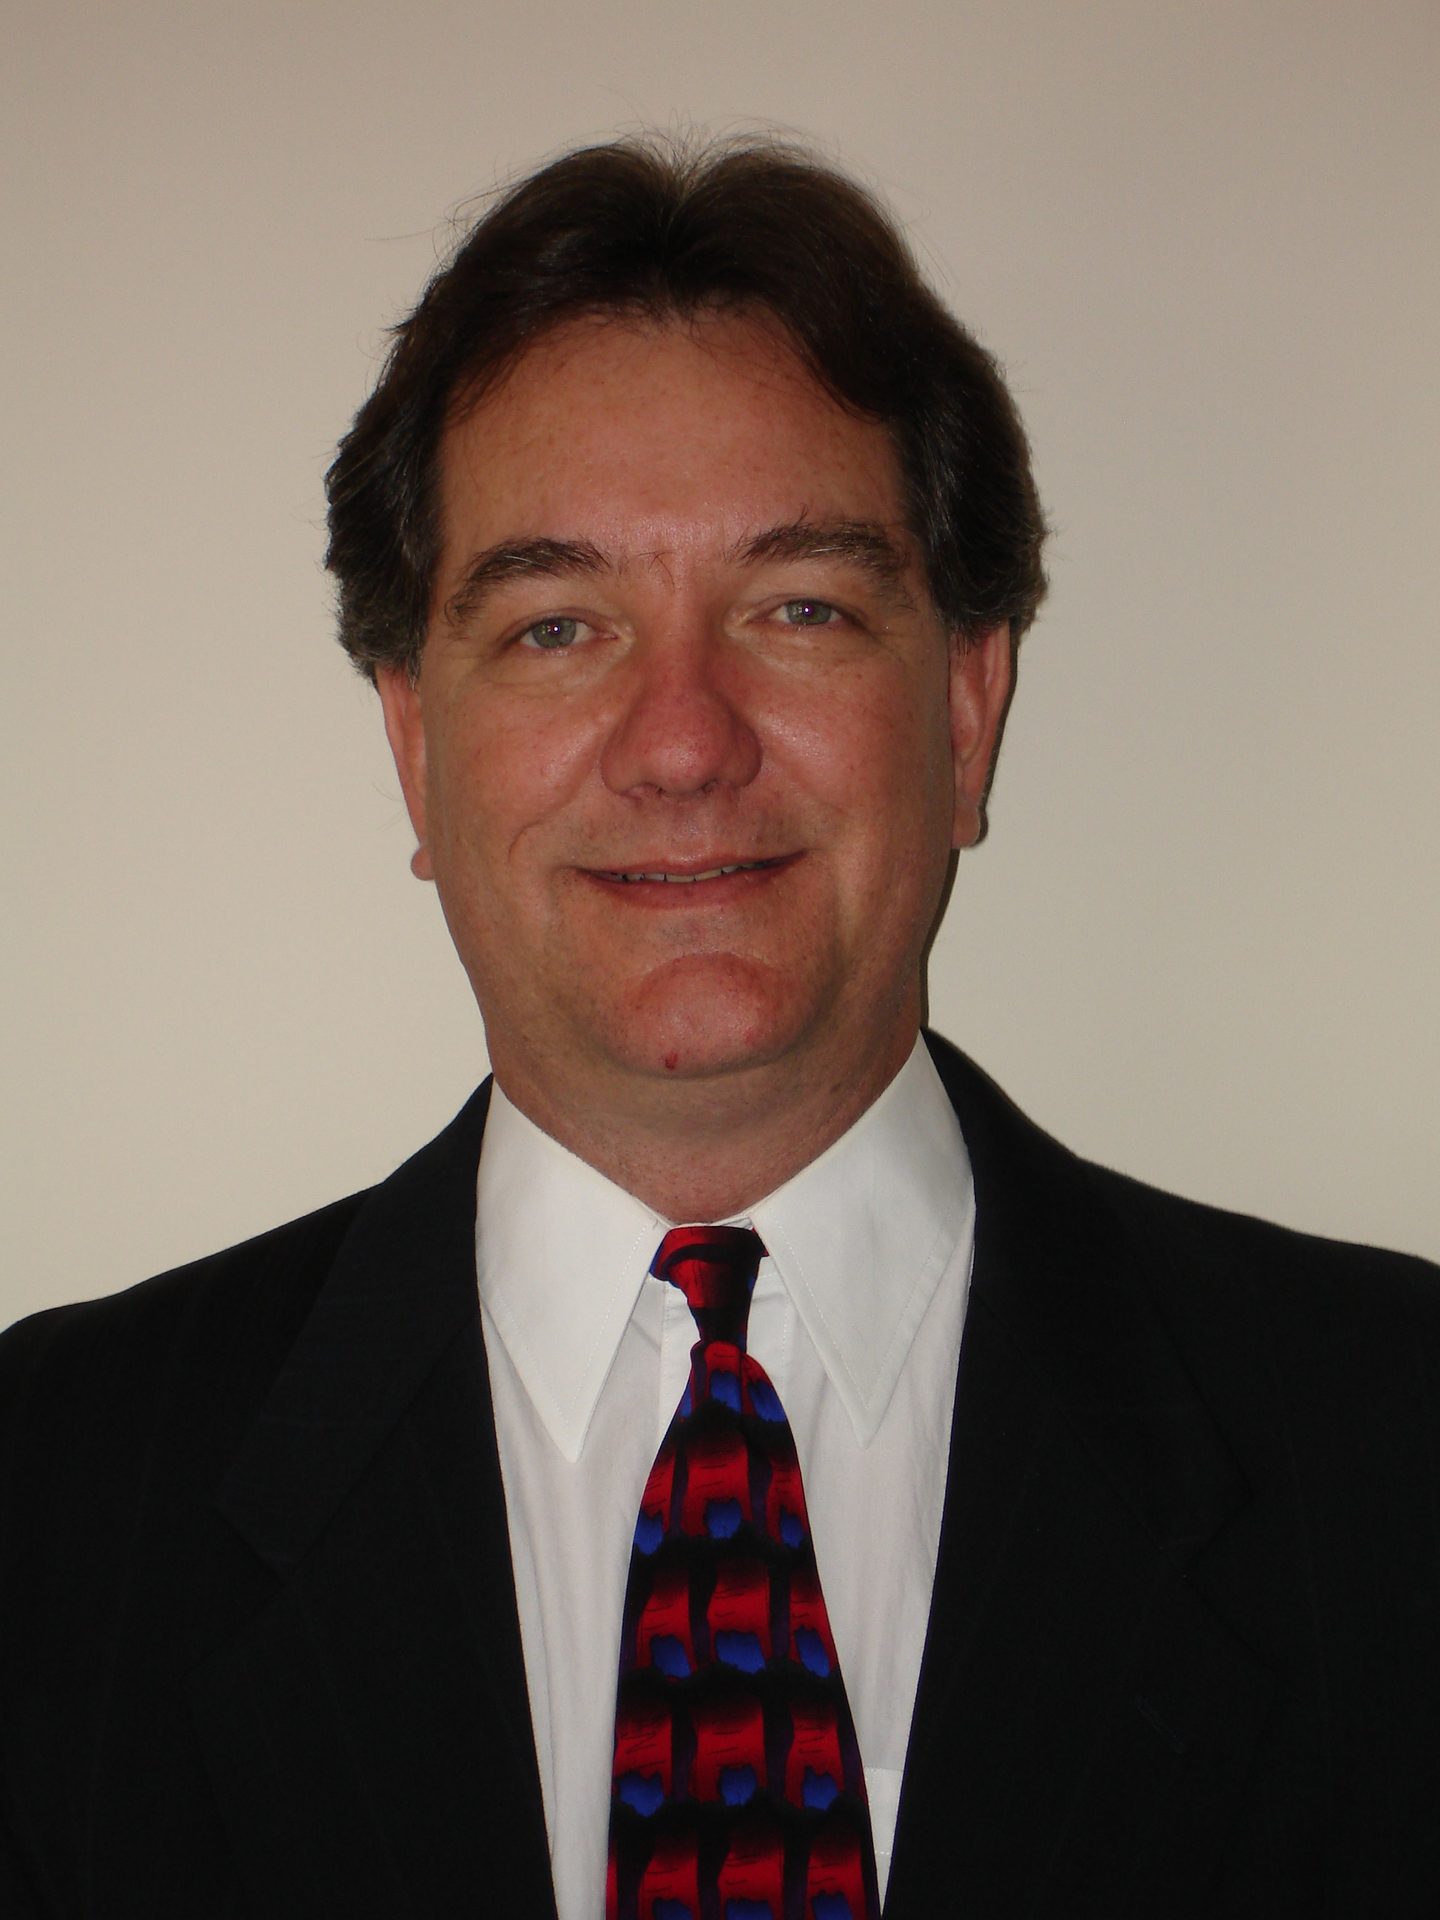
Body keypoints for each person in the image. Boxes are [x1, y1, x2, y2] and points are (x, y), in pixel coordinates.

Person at [1, 134, 1436, 1920]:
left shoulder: (1397, 1463)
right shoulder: (47, 1500)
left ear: (970, 712)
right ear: (415, 751)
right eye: (556, 626)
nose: (682, 740)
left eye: (801, 607)